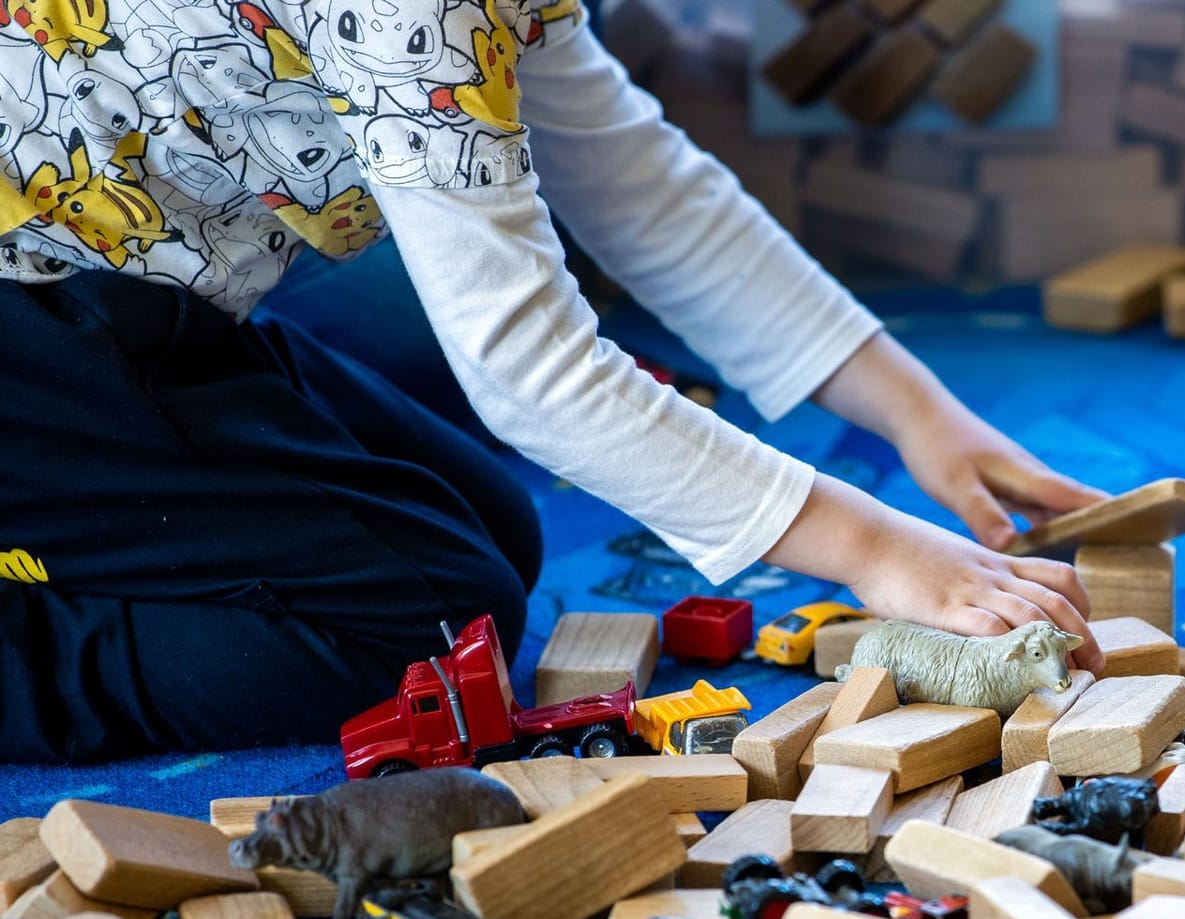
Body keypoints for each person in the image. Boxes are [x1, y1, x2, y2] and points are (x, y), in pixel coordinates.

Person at [0, 0, 1105, 764]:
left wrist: (918, 409)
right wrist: (869, 545)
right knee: (429, 621)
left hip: (133, 299)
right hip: (37, 328)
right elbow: (526, 368)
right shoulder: (414, 15)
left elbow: (642, 191)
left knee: (491, 529)